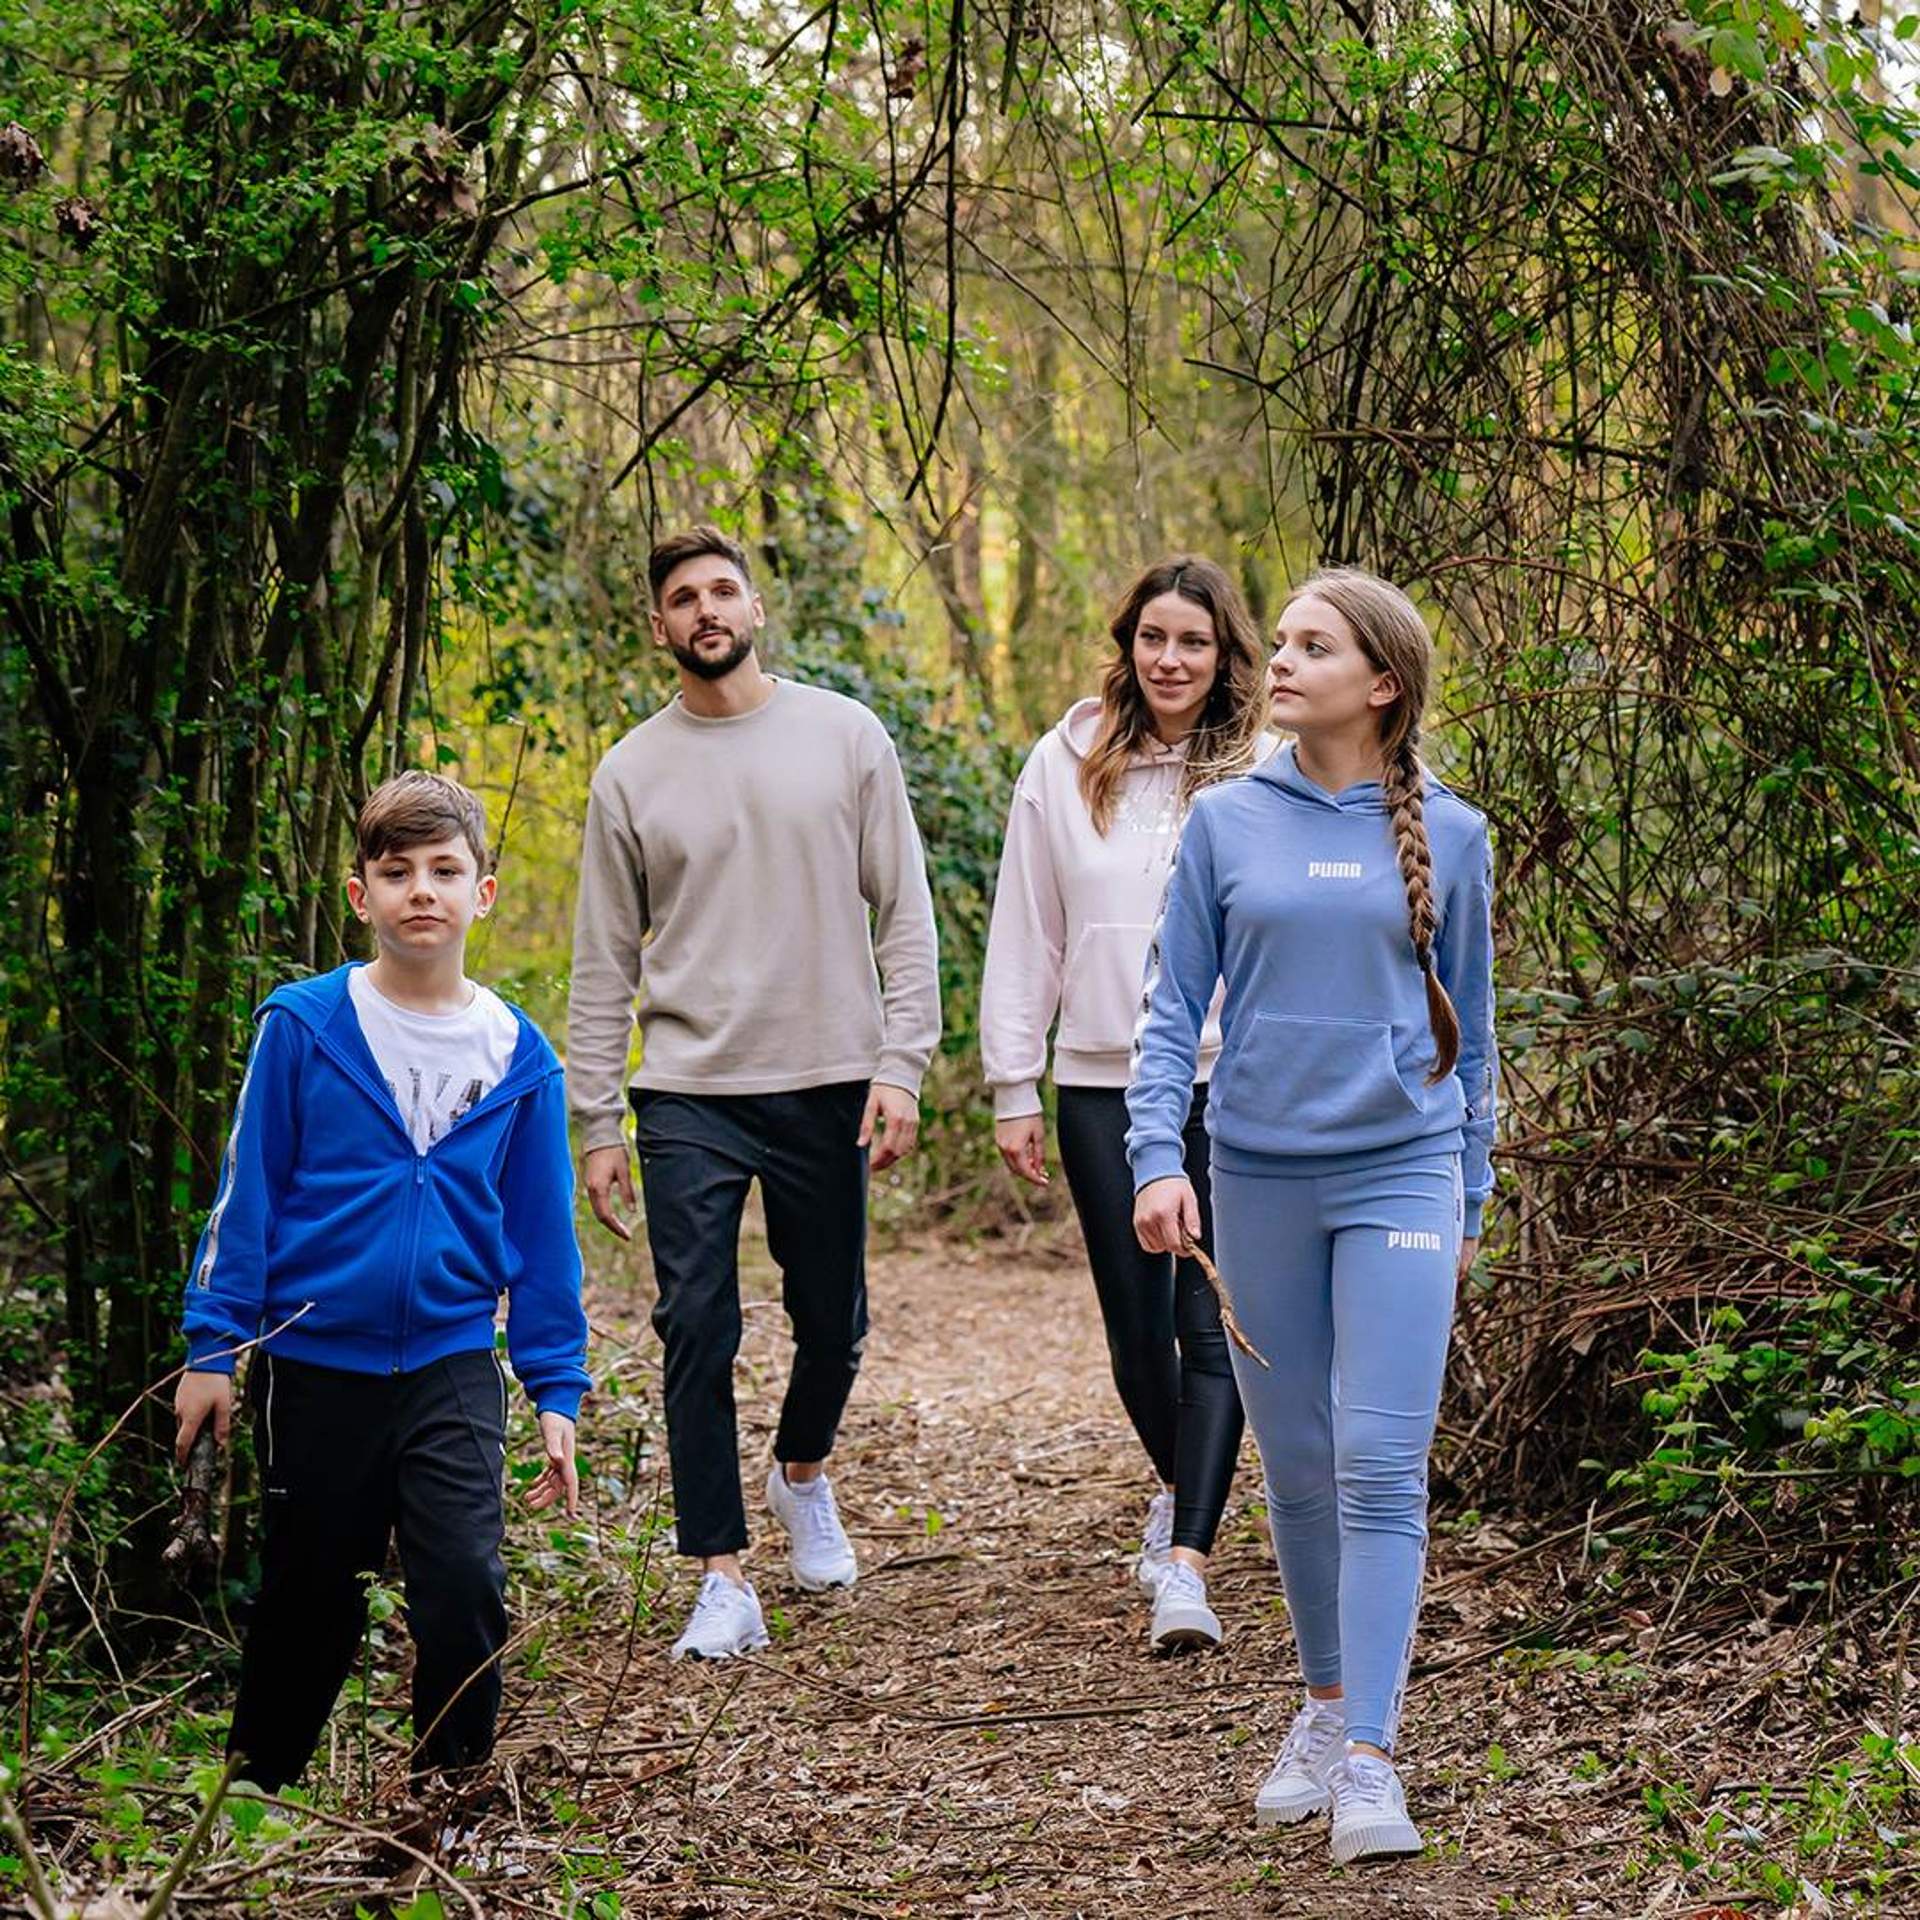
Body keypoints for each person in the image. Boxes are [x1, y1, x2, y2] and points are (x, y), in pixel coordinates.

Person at [1128, 567, 1497, 1864]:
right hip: (1258, 1178)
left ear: (1381, 683)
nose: (1276, 661)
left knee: (1381, 1464)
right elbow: (1170, 1013)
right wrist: (1154, 1161)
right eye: (1278, 642)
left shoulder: (1454, 835)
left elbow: (1475, 1039)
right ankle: (1327, 1707)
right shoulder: (1225, 822)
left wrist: (1469, 1193)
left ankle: (1374, 1765)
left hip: (1403, 1174)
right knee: (1295, 1464)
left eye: (1311, 646)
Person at [174, 773, 591, 1796]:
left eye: (444, 871)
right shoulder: (305, 1025)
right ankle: (253, 1803)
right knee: (309, 1595)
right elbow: (247, 1194)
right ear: (361, 895)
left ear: (482, 894)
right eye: (397, 872)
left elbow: (544, 1238)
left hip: (452, 1359)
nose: (422, 892)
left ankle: (447, 1804)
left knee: (464, 1584)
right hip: (316, 1361)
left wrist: (556, 1389)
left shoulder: (519, 1056)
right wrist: (214, 1347)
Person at [568, 524, 941, 1662]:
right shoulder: (630, 771)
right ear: (660, 626)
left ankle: (802, 1474)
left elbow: (906, 911)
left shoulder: (845, 735)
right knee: (695, 1321)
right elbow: (603, 961)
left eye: (722, 590)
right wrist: (597, 1119)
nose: (707, 610)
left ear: (755, 608)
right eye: (684, 598)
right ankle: (721, 1576)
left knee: (834, 1320)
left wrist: (903, 1064)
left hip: (828, 1075)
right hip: (689, 1089)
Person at [981, 556, 1270, 1653]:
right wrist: (1014, 1081)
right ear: (1127, 644)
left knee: (1212, 1320)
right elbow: (1028, 928)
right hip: (1102, 1079)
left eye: (1193, 642)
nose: (1171, 660)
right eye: (1154, 638)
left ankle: (1187, 1561)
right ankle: (1184, 1486)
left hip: (1229, 1078)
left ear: (1224, 653)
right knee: (1138, 1334)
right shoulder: (1063, 765)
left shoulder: (1265, 768)